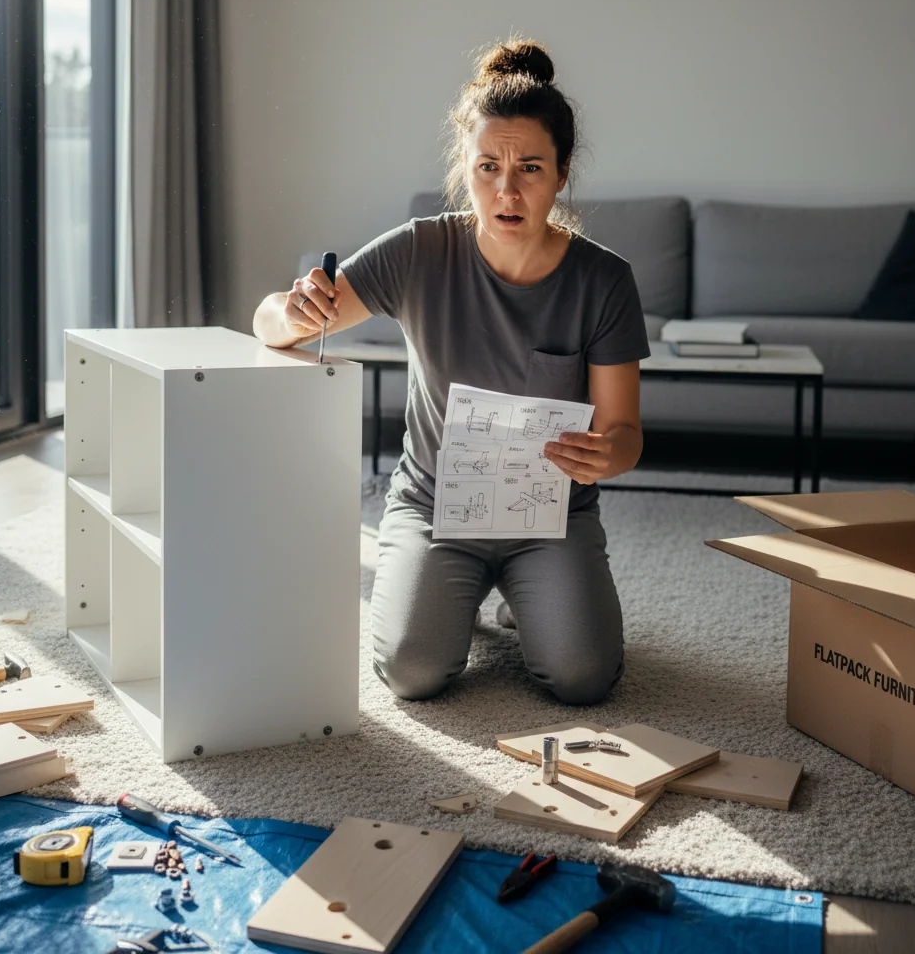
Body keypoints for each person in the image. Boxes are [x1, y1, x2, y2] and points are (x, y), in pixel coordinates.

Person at [254, 37, 650, 705]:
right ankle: (465, 600)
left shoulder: (604, 281)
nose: (507, 189)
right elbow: (268, 324)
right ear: (464, 167)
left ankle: (526, 601)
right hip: (436, 509)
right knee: (413, 672)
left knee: (583, 678)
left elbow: (626, 432)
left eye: (529, 167)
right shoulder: (420, 250)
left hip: (551, 517)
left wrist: (604, 455)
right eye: (488, 165)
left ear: (561, 172)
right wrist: (294, 310)